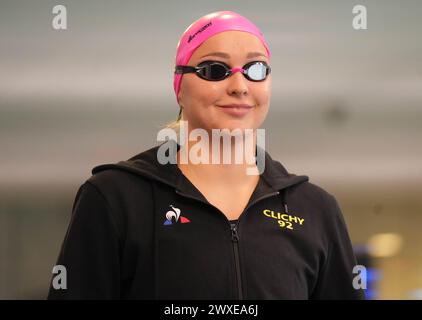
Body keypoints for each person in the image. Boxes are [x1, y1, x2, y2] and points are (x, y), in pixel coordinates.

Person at [48, 11, 364, 300]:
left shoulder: (315, 210)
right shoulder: (116, 198)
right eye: (215, 70)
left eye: (256, 69)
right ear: (179, 87)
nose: (240, 86)